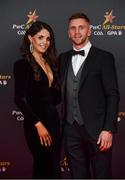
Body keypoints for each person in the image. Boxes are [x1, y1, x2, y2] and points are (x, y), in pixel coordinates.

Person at [58, 12, 120, 179]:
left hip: (98, 130)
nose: (77, 32)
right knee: (77, 176)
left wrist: (108, 129)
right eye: (73, 28)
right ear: (68, 32)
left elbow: (112, 95)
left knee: (102, 175)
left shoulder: (104, 57)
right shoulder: (62, 58)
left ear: (89, 31)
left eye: (81, 27)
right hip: (70, 129)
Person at [13, 21, 61, 179]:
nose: (45, 42)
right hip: (36, 125)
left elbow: (53, 99)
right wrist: (38, 124)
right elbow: (19, 100)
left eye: (48, 39)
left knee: (53, 167)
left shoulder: (52, 64)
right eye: (40, 37)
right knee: (43, 166)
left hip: (54, 123)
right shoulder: (22, 65)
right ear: (30, 38)